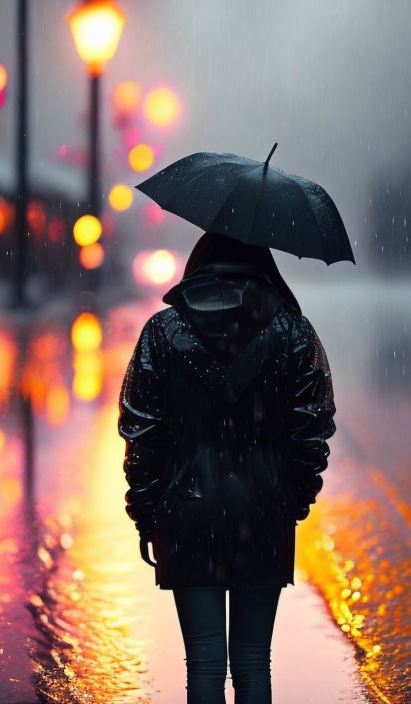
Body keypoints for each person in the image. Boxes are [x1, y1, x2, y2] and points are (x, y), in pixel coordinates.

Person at [117, 231, 336, 704]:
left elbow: (142, 431)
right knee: (255, 661)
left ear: (201, 261)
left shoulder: (162, 332)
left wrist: (145, 510)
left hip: (186, 510)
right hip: (262, 510)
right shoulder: (293, 331)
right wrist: (293, 499)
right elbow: (311, 427)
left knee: (204, 661)